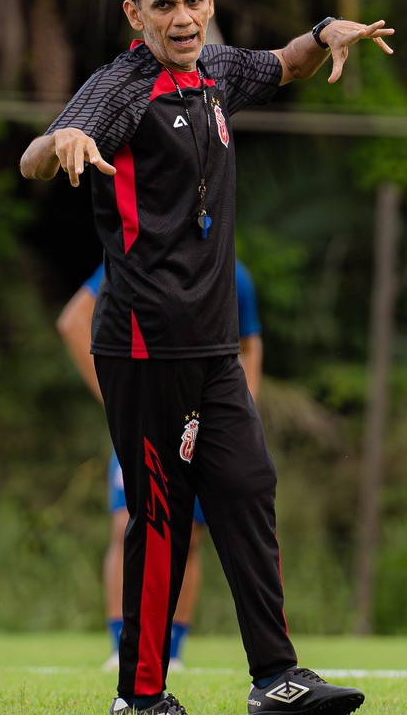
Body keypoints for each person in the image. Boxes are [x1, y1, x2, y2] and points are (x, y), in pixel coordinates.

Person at [20, 0, 394, 715]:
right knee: (159, 514)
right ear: (136, 14)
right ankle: (143, 692)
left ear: (210, 1)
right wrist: (64, 143)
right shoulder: (119, 88)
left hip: (214, 343)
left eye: (193, 0)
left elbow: (285, 61)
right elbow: (33, 158)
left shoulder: (217, 72)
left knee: (249, 485)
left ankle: (276, 678)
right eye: (163, 4)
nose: (182, 16)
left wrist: (326, 31)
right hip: (143, 343)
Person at [57, 258, 263, 670]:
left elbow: (250, 345)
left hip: (204, 420)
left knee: (191, 534)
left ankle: (173, 651)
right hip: (148, 413)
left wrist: (244, 416)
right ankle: (123, 648)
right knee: (129, 524)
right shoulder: (140, 256)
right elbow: (73, 320)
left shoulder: (231, 272)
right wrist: (119, 400)